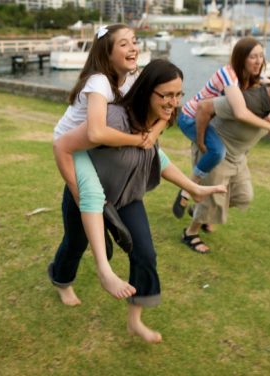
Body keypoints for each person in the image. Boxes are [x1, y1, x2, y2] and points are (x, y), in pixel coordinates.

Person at [49, 59, 227, 343]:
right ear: (147, 91)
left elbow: (156, 156)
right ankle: (61, 280)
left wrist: (193, 187)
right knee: (75, 244)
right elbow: (66, 145)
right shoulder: (113, 119)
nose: (173, 102)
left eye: (179, 94)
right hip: (87, 197)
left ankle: (135, 321)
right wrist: (77, 186)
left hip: (128, 197)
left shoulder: (155, 120)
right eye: (166, 95)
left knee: (145, 254)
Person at [52, 24, 168, 301]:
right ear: (108, 52)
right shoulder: (99, 81)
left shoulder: (130, 79)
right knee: (86, 209)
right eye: (124, 44)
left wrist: (151, 134)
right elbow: (95, 133)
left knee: (155, 156)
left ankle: (105, 223)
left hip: (97, 147)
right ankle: (89, 274)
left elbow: (165, 109)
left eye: (135, 42)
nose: (133, 48)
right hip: (72, 147)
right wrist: (138, 139)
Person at [181, 72, 270, 253]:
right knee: (213, 200)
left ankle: (199, 209)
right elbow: (204, 107)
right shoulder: (246, 101)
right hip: (218, 153)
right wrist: (201, 142)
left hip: (238, 157)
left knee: (243, 196)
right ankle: (190, 233)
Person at [172, 37, 270, 220]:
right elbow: (240, 112)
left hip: (208, 120)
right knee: (217, 151)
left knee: (221, 156)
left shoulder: (250, 76)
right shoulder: (228, 74)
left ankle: (197, 200)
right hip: (190, 117)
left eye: (261, 56)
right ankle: (187, 189)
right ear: (241, 58)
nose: (259, 61)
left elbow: (267, 83)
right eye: (253, 57)